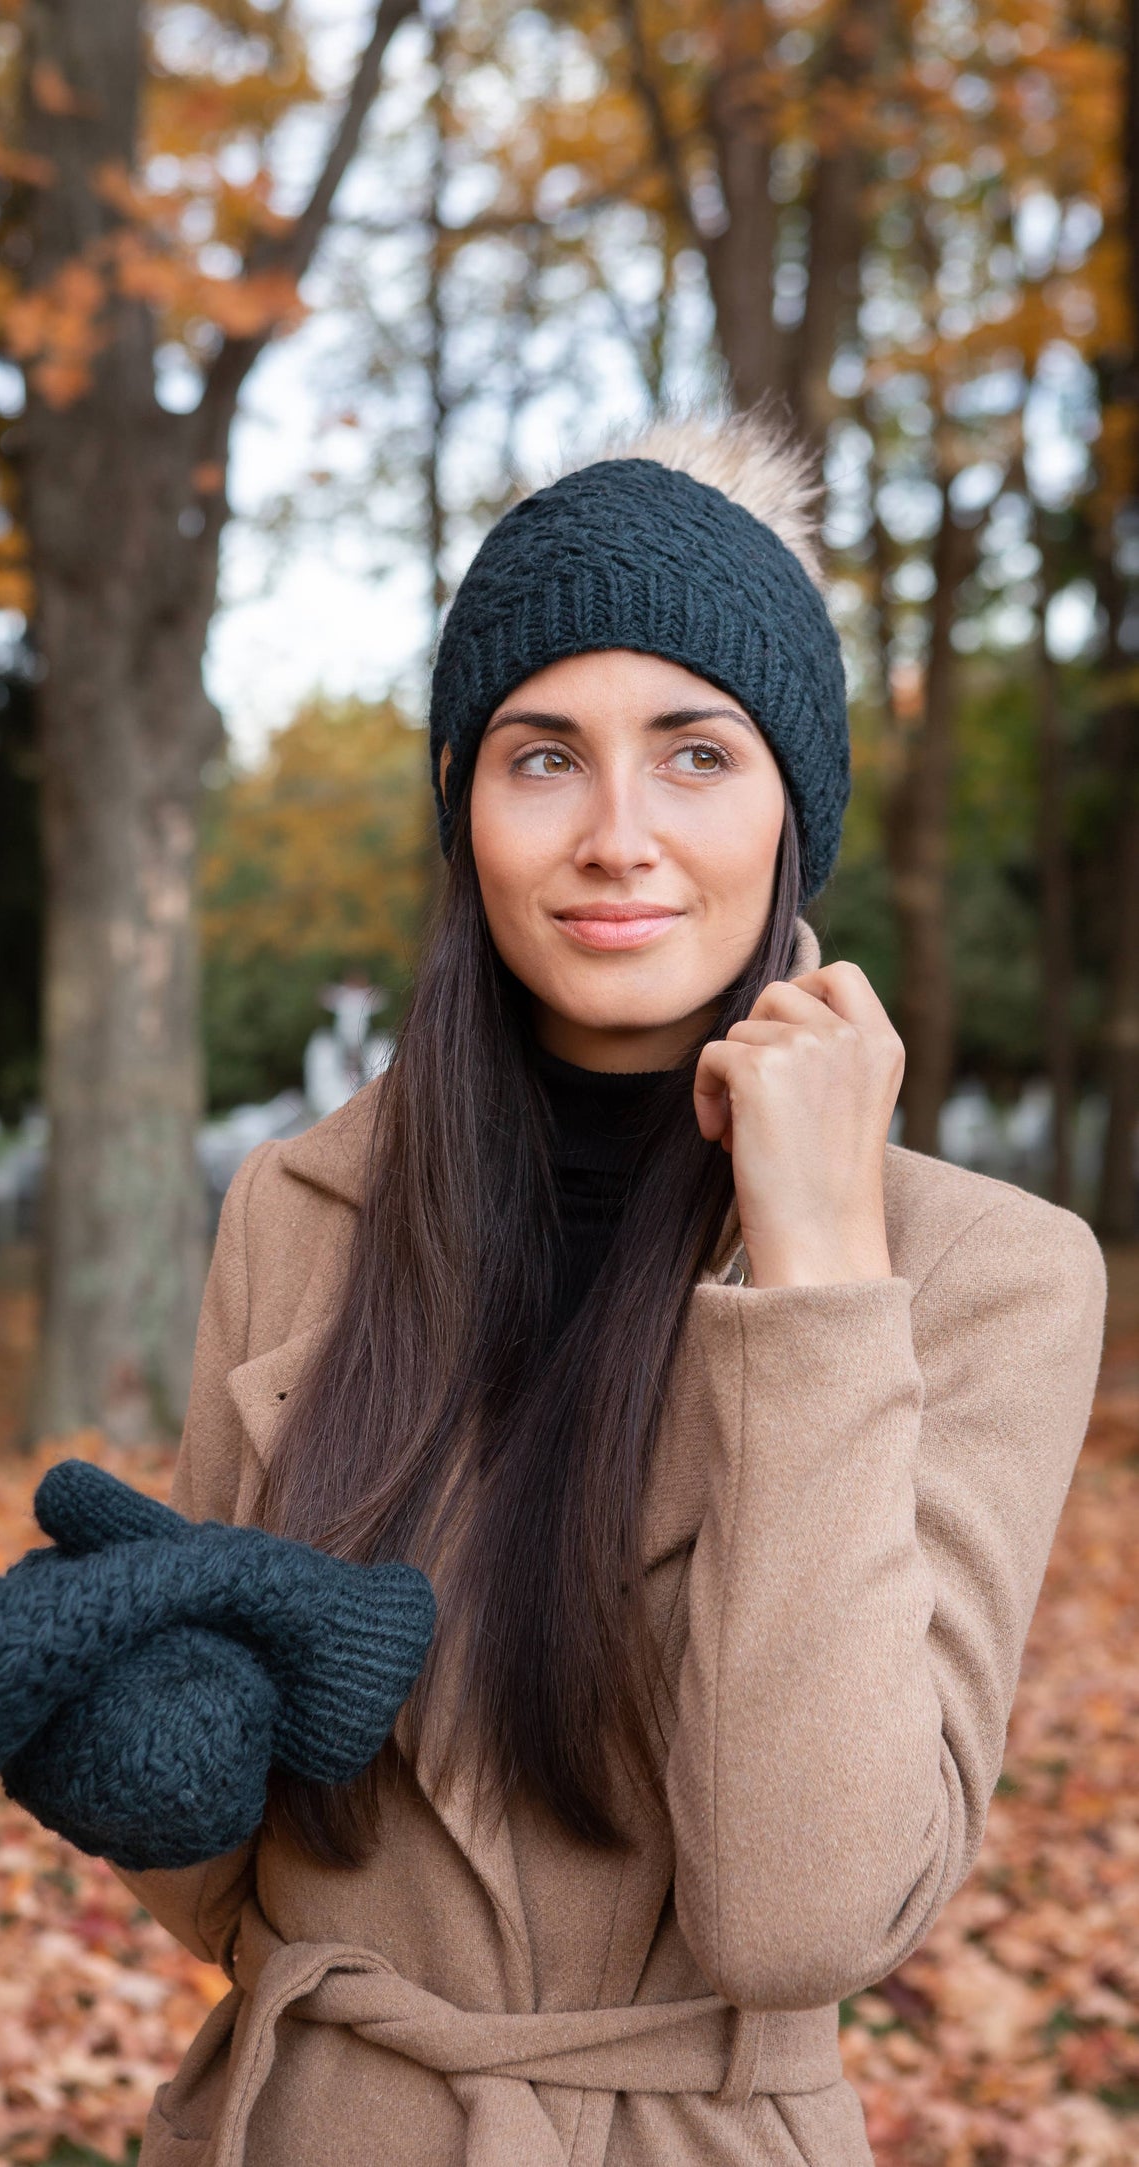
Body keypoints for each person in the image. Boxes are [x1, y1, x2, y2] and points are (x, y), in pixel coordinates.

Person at [109, 410, 1107, 2167]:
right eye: (543, 755)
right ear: (464, 807)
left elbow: (803, 1917)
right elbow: (219, 1879)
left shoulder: (982, 1276)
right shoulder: (302, 1206)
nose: (617, 834)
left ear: (794, 798)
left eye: (696, 754)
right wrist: (135, 1733)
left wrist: (812, 1272)